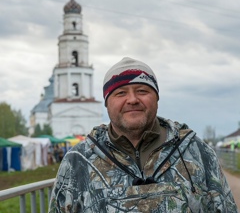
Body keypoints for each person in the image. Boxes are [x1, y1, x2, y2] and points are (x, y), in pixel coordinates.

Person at [48, 57, 237, 212]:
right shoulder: (78, 161)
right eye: (120, 93)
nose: (132, 100)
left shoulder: (197, 152)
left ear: (156, 98)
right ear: (107, 103)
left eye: (142, 91)